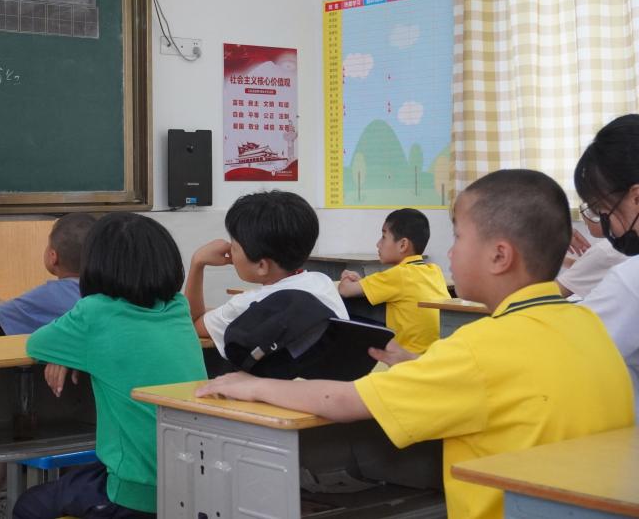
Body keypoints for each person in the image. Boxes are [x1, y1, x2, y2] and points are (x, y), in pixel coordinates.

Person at [197, 169, 634, 519]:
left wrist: (250, 385)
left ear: (500, 256)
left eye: (458, 237)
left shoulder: (479, 347)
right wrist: (422, 362)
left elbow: (343, 401)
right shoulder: (586, 324)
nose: (450, 253)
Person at [13, 213, 208, 518]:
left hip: (137, 494)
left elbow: (36, 344)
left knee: (29, 505)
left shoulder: (95, 312)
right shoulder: (177, 307)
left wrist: (67, 354)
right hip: (195, 483)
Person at [0, 212, 97, 516]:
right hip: (91, 412)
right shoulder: (108, 295)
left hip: (50, 410)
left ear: (52, 257)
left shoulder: (47, 295)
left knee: (14, 402)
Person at [184, 190, 348, 360]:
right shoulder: (321, 281)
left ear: (262, 266)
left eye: (234, 247)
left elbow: (191, 323)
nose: (230, 252)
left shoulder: (245, 305)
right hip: (332, 374)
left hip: (274, 378)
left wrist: (198, 263)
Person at [574, 113, 639, 416]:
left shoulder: (631, 281)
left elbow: (565, 351)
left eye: (603, 209)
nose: (604, 222)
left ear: (636, 197)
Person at [337, 208, 450, 353]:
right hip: (434, 355)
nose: (378, 244)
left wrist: (346, 277)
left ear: (403, 245)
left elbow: (345, 290)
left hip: (406, 357)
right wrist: (363, 283)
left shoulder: (399, 275)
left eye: (384, 237)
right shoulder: (434, 270)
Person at [556, 220, 626, 298]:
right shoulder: (624, 246)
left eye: (587, 214)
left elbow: (549, 296)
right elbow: (589, 269)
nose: (585, 222)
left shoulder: (605, 250)